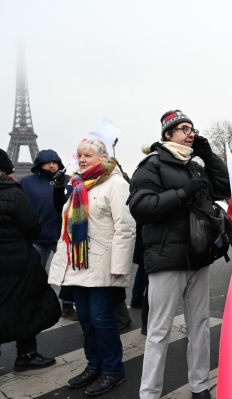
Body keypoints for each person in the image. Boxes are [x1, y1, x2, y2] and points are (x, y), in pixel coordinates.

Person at [128, 110, 230, 399]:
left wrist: (209, 156)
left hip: (198, 255)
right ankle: (149, 393)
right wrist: (183, 194)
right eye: (183, 128)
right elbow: (140, 207)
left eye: (192, 128)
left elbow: (222, 188)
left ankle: (199, 387)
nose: (190, 132)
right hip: (166, 260)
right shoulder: (152, 165)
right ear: (167, 135)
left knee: (199, 326)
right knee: (159, 331)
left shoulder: (196, 166)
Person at [49, 139, 136, 396]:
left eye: (88, 155)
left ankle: (112, 369)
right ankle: (94, 365)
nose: (83, 159)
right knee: (86, 320)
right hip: (78, 264)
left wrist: (119, 265)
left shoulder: (116, 184)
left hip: (100, 264)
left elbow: (125, 227)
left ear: (102, 157)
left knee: (101, 320)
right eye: (80, 155)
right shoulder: (77, 184)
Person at [0, 149, 61, 372]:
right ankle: (26, 354)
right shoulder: (13, 192)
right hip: (17, 259)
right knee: (26, 303)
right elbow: (31, 225)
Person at [19, 149, 78, 321]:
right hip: (37, 235)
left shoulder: (68, 181)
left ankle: (67, 305)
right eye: (47, 162)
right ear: (39, 164)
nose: (52, 165)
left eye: (55, 162)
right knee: (35, 273)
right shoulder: (26, 182)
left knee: (67, 273)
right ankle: (35, 305)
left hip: (62, 234)